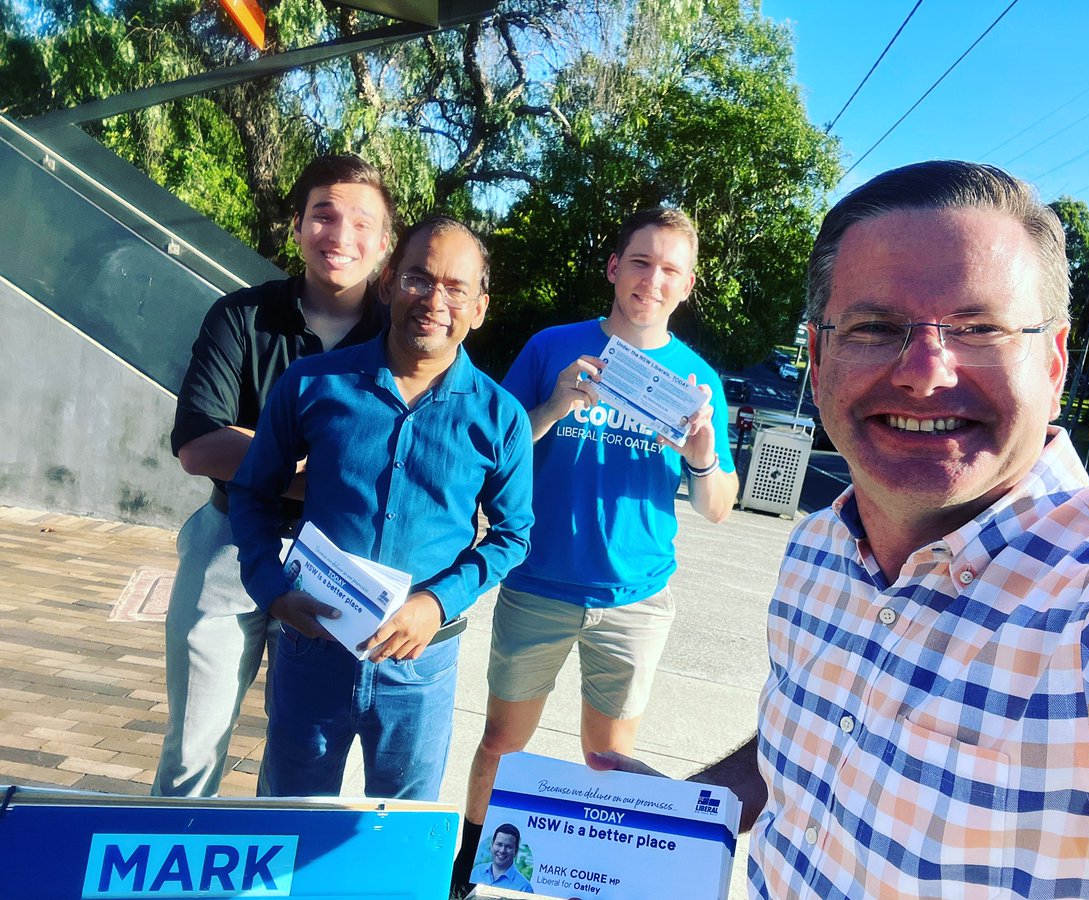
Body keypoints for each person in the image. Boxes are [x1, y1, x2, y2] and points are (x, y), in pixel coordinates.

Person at [593, 160, 1089, 898]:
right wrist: (688, 815)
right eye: (877, 327)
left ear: (1054, 362)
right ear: (817, 360)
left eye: (979, 328)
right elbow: (822, 730)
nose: (924, 372)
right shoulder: (819, 550)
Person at [453, 206, 739, 885]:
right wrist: (553, 406)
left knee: (608, 762)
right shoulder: (554, 347)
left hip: (635, 600)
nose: (653, 279)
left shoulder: (699, 384)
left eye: (671, 269)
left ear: (689, 284)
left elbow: (719, 506)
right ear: (614, 268)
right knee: (501, 743)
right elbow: (493, 450)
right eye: (641, 262)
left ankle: (591, 878)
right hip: (539, 584)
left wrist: (701, 456)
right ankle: (467, 867)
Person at [229, 215, 534, 800]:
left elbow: (513, 534)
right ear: (391, 279)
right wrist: (270, 588)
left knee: (402, 835)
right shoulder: (313, 383)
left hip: (420, 665)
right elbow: (252, 492)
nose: (433, 300)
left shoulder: (501, 417)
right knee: (289, 822)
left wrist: (437, 603)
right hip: (312, 645)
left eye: (455, 288)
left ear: (480, 307)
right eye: (419, 278)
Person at [152, 155, 393, 797]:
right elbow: (200, 447)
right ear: (296, 226)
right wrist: (325, 476)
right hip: (228, 544)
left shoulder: (402, 337)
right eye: (324, 214)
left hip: (342, 565)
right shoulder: (241, 317)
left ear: (385, 242)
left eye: (361, 222)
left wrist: (263, 460)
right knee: (193, 751)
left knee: (304, 763)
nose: (340, 235)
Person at [470, 824, 534, 893]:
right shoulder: (476, 872)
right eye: (499, 844)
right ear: (492, 846)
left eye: (508, 847)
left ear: (516, 851)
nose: (502, 850)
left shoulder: (524, 888)